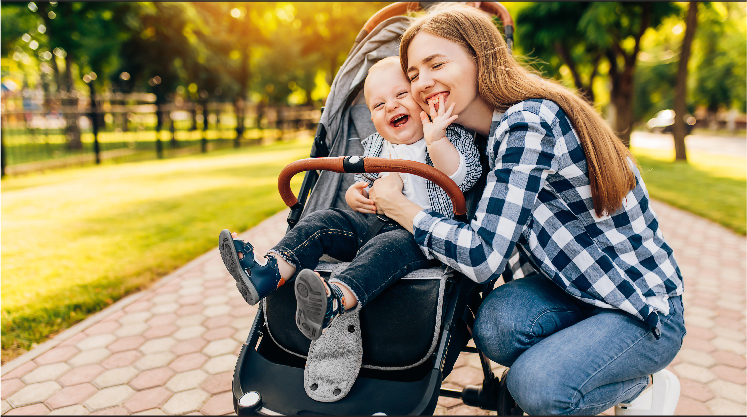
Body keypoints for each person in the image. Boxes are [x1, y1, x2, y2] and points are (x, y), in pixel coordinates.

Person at [368, 4, 685, 415]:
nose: (422, 83)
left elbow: (482, 257)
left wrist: (401, 208)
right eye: (413, 74)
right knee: (496, 325)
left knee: (533, 386)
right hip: (570, 287)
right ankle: (576, 356)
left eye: (436, 64)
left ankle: (637, 387)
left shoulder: (528, 124)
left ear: (480, 58)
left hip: (637, 304)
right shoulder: (462, 137)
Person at [218, 56, 481, 341]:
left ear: (423, 98)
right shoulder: (378, 146)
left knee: (388, 244)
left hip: (422, 238)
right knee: (321, 221)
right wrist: (354, 194)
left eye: (401, 95)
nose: (390, 106)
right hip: (371, 226)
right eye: (379, 105)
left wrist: (436, 139)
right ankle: (268, 272)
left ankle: (335, 298)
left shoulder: (448, 134)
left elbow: (461, 177)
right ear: (373, 120)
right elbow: (364, 184)